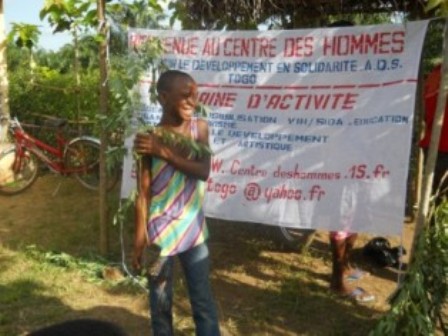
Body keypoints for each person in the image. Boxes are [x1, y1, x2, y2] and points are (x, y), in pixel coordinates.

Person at [132, 70, 221, 336]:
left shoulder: (199, 128)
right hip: (159, 233)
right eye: (184, 95)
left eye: (194, 95)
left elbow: (203, 170)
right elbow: (143, 192)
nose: (191, 101)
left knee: (202, 300)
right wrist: (139, 238)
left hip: (193, 229)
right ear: (163, 97)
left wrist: (164, 152)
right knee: (160, 304)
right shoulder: (148, 137)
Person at [326, 20, 375, 303]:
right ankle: (336, 280)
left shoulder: (360, 71)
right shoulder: (328, 75)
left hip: (362, 155)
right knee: (341, 218)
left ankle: (344, 267)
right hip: (339, 159)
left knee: (355, 215)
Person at [419, 63, 448, 204]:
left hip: (435, 145)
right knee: (437, 195)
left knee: (435, 195)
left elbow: (424, 110)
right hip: (439, 146)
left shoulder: (436, 73)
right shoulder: (438, 73)